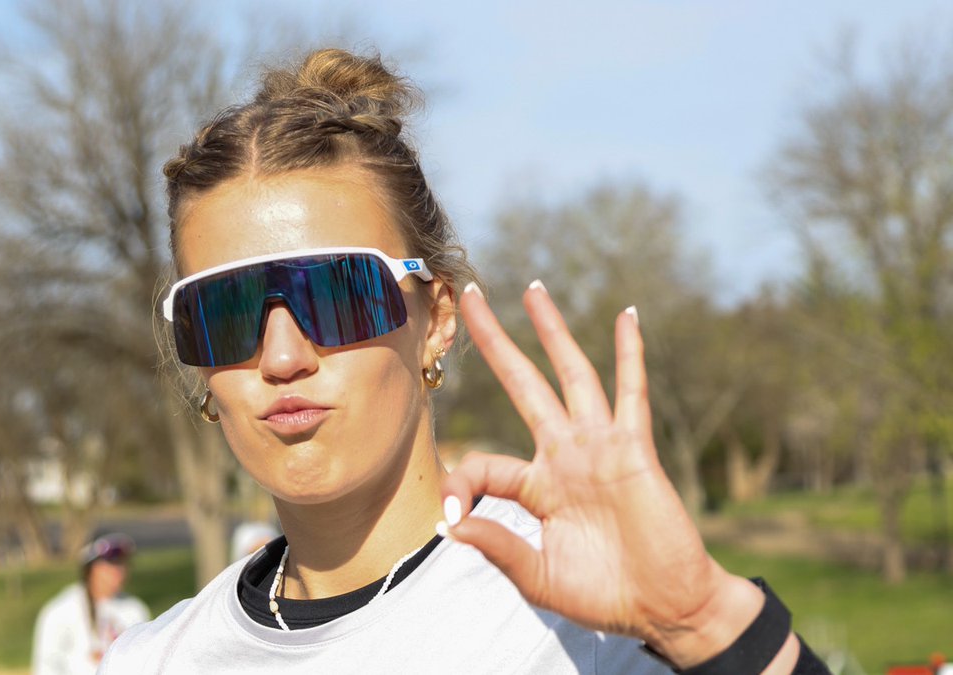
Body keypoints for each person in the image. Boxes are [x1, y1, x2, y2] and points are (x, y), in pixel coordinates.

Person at [101, 49, 830, 673]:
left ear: (436, 320)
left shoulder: (592, 615)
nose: (283, 355)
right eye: (225, 312)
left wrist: (704, 622)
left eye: (336, 292)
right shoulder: (150, 658)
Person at [33, 533, 150, 675]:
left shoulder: (135, 610)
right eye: (111, 563)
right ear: (90, 568)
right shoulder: (62, 611)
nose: (119, 571)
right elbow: (47, 667)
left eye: (123, 563)